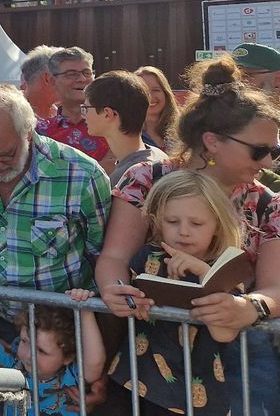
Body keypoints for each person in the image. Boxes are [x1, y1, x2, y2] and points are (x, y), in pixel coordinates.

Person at [97, 57, 280, 416]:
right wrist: (114, 289)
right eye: (260, 150)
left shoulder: (267, 204)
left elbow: (274, 287)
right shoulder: (147, 179)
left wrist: (250, 307)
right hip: (145, 364)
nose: (270, 162)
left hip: (234, 365)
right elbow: (115, 257)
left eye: (275, 151)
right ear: (211, 141)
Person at [0, 86, 110, 333]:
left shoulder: (81, 175)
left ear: (27, 133)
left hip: (64, 331)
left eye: (5, 155)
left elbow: (102, 255)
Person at [107, 170, 243, 416]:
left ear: (216, 225)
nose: (184, 231)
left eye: (197, 223)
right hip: (134, 379)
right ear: (157, 220)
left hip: (195, 395)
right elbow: (127, 305)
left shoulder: (227, 269)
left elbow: (224, 333)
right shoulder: (147, 257)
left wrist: (204, 273)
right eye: (172, 221)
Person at [0, 278, 103, 416]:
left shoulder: (72, 374)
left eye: (41, 351)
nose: (28, 355)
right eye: (24, 341)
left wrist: (85, 313)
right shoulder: (15, 365)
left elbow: (95, 362)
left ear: (67, 357)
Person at [82, 71, 168, 183]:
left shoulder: (130, 177)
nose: (83, 115)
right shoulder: (159, 156)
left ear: (108, 113)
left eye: (86, 108)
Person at [36, 46, 113, 169]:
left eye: (87, 73)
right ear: (51, 80)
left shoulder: (112, 124)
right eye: (71, 74)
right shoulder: (41, 133)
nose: (82, 79)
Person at [135, 65, 180, 152]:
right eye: (143, 91)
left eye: (156, 90)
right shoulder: (126, 133)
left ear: (166, 94)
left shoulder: (183, 129)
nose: (150, 97)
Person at [20, 45, 62, 120]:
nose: (71, 82)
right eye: (66, 75)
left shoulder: (57, 114)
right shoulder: (11, 115)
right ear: (48, 78)